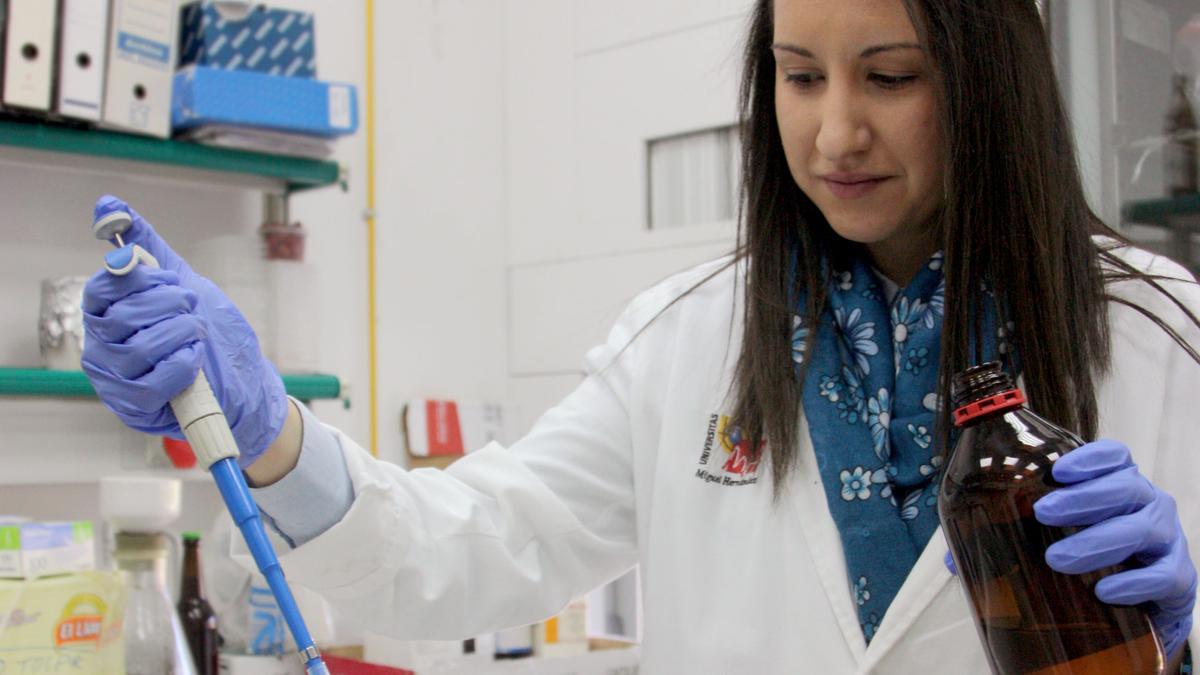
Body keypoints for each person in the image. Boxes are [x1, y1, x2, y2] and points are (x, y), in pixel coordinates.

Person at [80, 0, 1198, 672]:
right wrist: (270, 429)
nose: (834, 131)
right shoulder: (691, 340)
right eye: (799, 77)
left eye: (892, 78)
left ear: (993, 82)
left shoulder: (1154, 329)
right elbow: (470, 545)